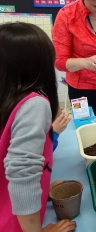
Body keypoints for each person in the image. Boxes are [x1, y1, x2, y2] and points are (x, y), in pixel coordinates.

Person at [0, 22, 76, 232]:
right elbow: (22, 174)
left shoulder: (6, 97)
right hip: (16, 223)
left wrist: (42, 186)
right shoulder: (34, 104)